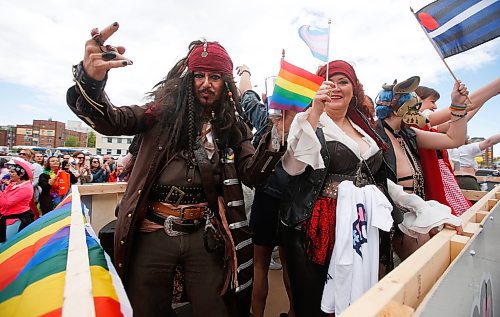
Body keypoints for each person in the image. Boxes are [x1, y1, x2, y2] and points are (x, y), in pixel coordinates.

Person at [66, 22, 287, 317]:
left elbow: (252, 173)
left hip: (203, 233)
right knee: (145, 310)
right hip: (153, 230)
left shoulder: (231, 126)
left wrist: (277, 136)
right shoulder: (159, 114)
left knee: (216, 309)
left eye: (215, 77)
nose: (206, 83)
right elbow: (113, 120)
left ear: (226, 84)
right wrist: (92, 81)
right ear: (188, 78)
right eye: (199, 75)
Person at [280, 61, 462, 316]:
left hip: (361, 227)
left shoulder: (364, 130)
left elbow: (380, 184)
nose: (336, 87)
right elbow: (293, 167)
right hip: (319, 228)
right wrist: (314, 114)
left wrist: (425, 209)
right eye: (329, 81)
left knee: (359, 302)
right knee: (315, 306)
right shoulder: (308, 121)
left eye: (343, 82)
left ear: (354, 90)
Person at [374, 76, 468, 260]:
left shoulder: (409, 134)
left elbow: (454, 140)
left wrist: (458, 105)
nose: (418, 112)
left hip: (416, 213)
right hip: (388, 215)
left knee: (427, 266)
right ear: (399, 106)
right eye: (413, 106)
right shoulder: (372, 134)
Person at [237, 64, 295, 317]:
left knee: (259, 264)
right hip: (294, 201)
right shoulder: (307, 122)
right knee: (289, 264)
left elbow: (246, 94)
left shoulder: (263, 119)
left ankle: (256, 315)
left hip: (266, 197)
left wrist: (245, 72)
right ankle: (293, 312)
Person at [0, 158, 35, 243]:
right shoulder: (14, 184)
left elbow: (7, 203)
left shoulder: (26, 188)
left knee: (9, 244)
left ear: (21, 174)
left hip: (15, 220)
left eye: (12, 172)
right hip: (7, 218)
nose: (10, 174)